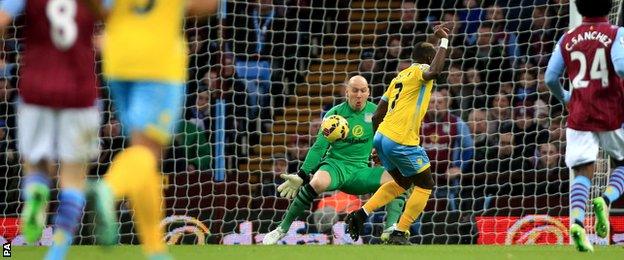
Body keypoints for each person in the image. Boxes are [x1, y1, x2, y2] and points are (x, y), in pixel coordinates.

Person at [86, 1, 219, 259]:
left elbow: (100, 8)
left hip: (118, 57)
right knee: (147, 153)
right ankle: (109, 189)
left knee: (143, 154)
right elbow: (207, 5)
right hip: (158, 61)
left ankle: (155, 249)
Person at [0, 1, 100, 259]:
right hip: (80, 92)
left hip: (35, 87)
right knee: (73, 179)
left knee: (35, 164)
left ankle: (35, 192)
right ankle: (57, 251)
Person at [262, 76, 407, 245]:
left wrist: (382, 155)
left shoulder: (377, 113)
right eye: (354, 90)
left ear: (368, 92)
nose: (358, 95)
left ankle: (390, 229)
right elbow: (319, 147)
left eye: (362, 90)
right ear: (347, 92)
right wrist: (302, 174)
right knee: (317, 182)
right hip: (335, 166)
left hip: (361, 171)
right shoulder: (335, 115)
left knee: (399, 179)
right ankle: (282, 229)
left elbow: (386, 141)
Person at [346, 23, 452, 245]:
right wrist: (444, 41)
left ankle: (361, 213)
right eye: (434, 57)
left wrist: (377, 146)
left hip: (382, 136)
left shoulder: (399, 77)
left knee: (402, 182)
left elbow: (376, 116)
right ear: (427, 58)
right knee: (425, 185)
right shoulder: (420, 73)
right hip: (401, 139)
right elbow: (435, 70)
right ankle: (400, 232)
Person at [545, 0, 624, 252]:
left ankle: (578, 221)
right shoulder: (616, 33)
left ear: (578, 8)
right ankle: (606, 198)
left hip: (579, 113)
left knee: (582, 171)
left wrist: (566, 97)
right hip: (612, 111)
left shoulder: (568, 37)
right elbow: (621, 66)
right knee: (622, 163)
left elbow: (550, 77)